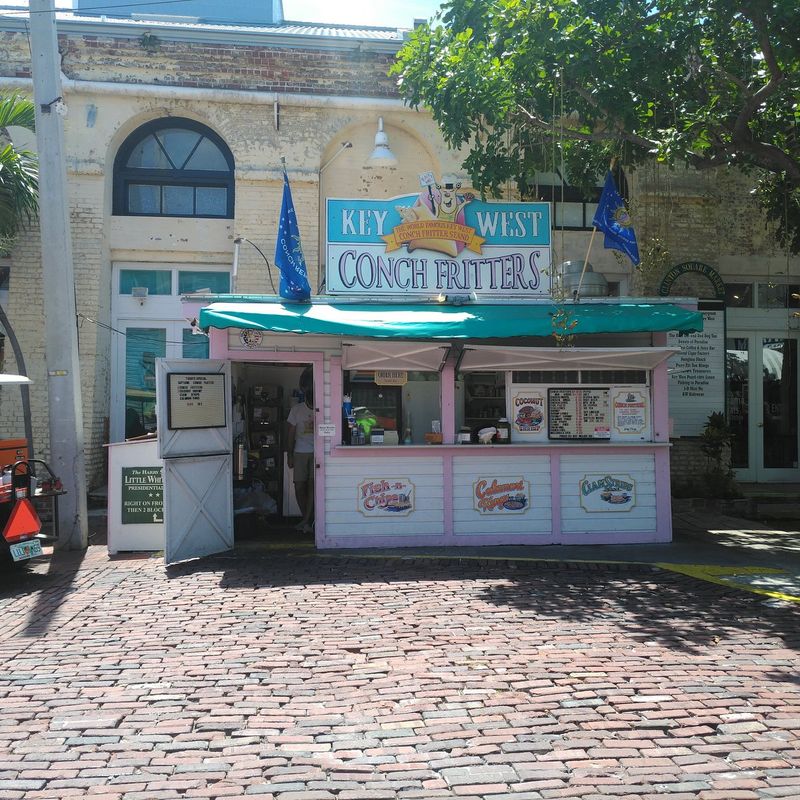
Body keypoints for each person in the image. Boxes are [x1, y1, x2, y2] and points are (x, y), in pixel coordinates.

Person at [286, 379, 314, 533]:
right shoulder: (296, 409)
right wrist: (289, 454)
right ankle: (307, 520)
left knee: (312, 486)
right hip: (300, 451)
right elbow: (290, 433)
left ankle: (306, 521)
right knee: (299, 486)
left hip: (316, 452)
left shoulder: (321, 408)